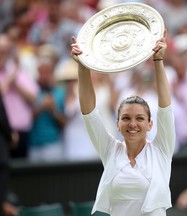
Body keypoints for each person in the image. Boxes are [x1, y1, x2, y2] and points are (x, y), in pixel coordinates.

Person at [70, 29, 175, 216]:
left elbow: (166, 109)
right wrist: (83, 65)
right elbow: (89, 113)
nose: (132, 124)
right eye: (126, 118)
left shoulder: (161, 150)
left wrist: (158, 61)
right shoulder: (110, 150)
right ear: (117, 124)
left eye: (140, 118)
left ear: (150, 124)